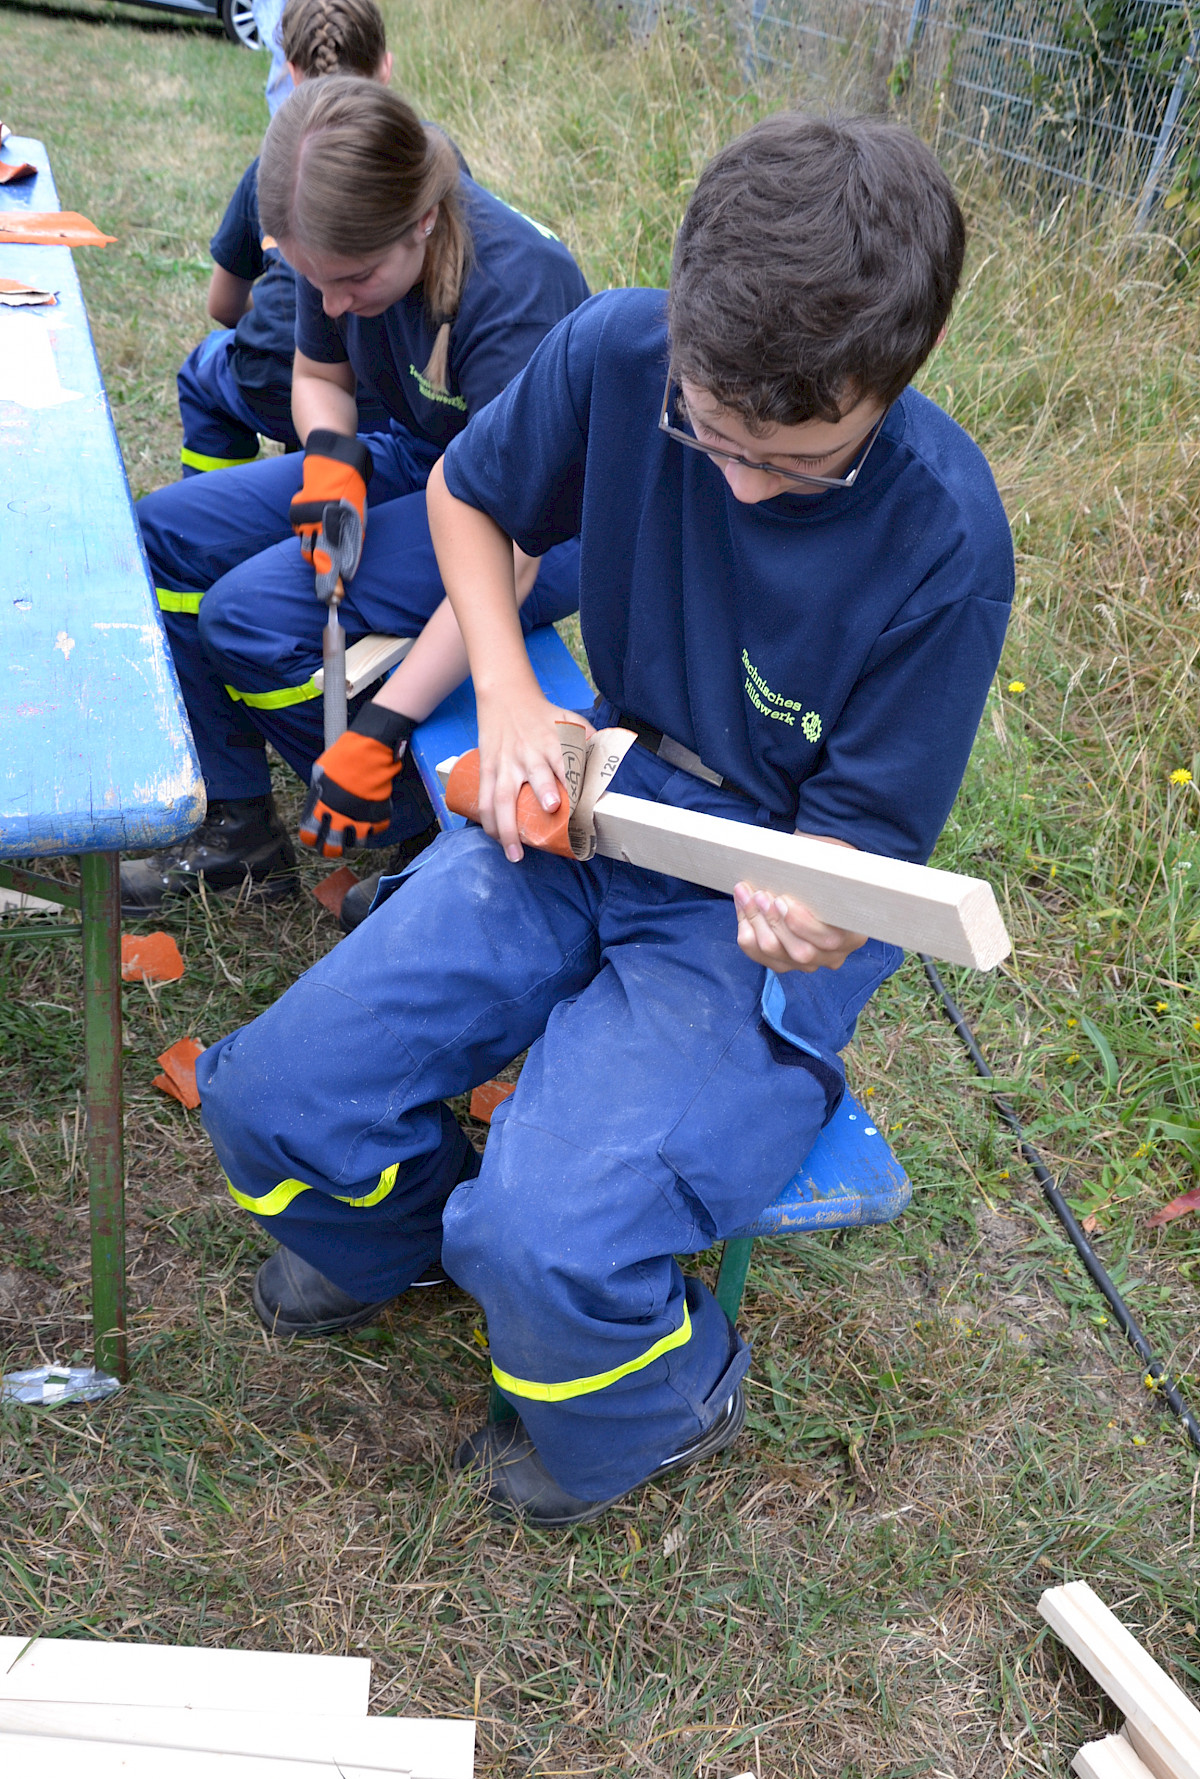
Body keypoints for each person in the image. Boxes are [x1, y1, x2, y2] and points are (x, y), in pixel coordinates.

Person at [196, 114, 1014, 1527]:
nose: (746, 483)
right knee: (271, 1097)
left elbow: (863, 850)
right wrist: (507, 697)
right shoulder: (623, 348)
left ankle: (654, 1395)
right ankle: (406, 1243)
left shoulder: (946, 538)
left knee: (548, 1240)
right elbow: (465, 496)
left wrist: (818, 911)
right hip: (591, 799)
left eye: (798, 465)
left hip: (759, 893)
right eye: (714, 437)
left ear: (896, 381)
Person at [123, 76, 589, 918]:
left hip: (540, 531)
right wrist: (331, 459)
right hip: (423, 457)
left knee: (248, 616)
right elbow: (318, 375)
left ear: (423, 225)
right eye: (314, 280)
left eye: (353, 282)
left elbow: (510, 563)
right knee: (160, 534)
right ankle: (240, 828)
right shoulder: (334, 230)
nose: (332, 302)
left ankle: (409, 827)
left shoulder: (514, 298)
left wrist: (384, 728)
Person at [177, 0, 397, 479]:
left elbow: (223, 304)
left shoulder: (274, 171)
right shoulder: (408, 168)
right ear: (385, 67)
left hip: (271, 377)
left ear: (290, 73)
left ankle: (214, 492)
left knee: (204, 371)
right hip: (387, 401)